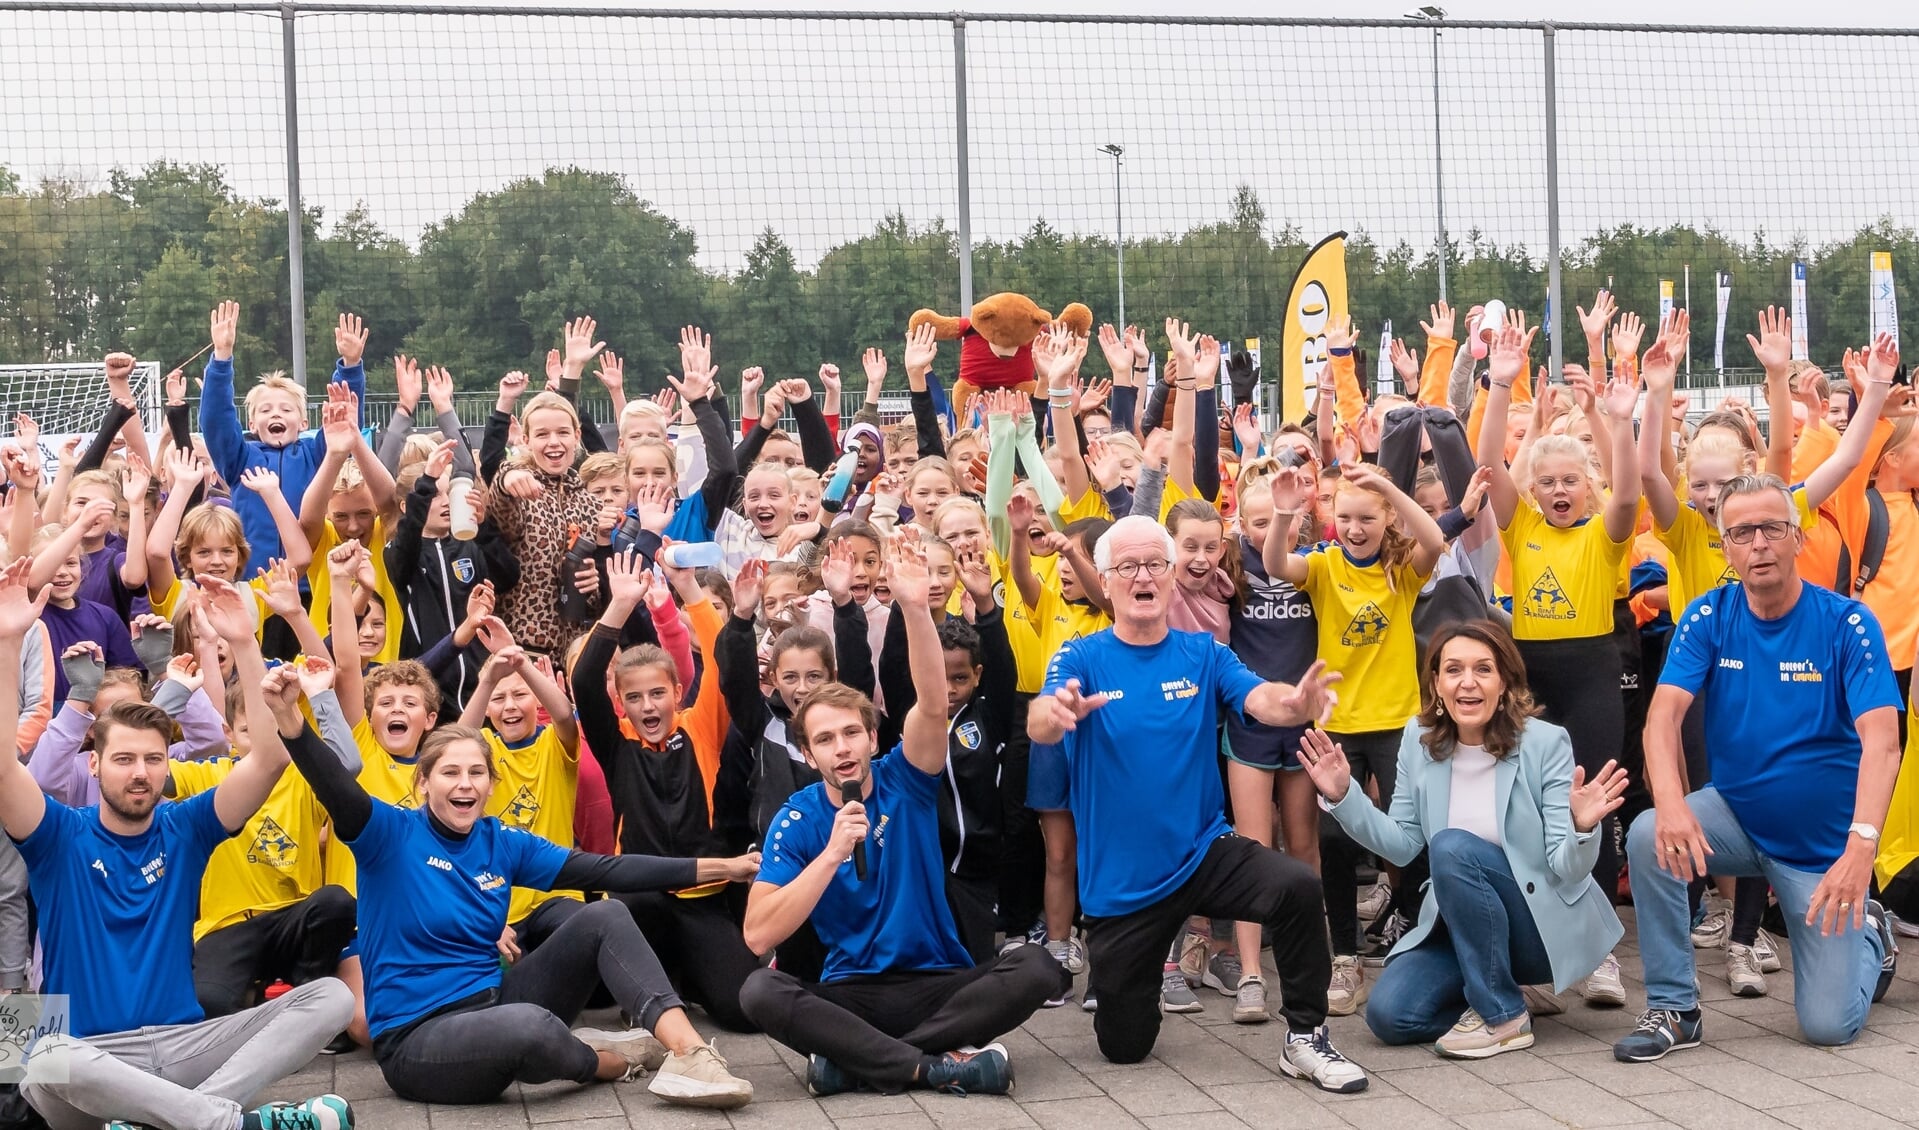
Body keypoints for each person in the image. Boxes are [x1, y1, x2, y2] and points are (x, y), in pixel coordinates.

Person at [271, 688, 761, 1106]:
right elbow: (334, 786)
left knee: (605, 914)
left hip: (496, 999)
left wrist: (723, 866)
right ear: (423, 783)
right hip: (417, 1039)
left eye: (476, 774)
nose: (464, 784)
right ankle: (613, 1062)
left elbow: (607, 867)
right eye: (449, 773)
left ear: (490, 783)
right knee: (531, 1029)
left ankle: (689, 1055)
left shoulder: (500, 841)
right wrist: (291, 720)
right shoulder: (388, 835)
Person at [0, 565, 354, 1130]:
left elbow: (266, 759)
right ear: (93, 765)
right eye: (123, 760)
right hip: (86, 1069)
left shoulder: (184, 827)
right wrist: (8, 640)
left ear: (168, 764)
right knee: (22, 1038)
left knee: (332, 998)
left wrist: (243, 642)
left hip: (181, 1049)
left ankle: (178, 1119)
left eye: (152, 759)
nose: (139, 773)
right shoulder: (58, 835)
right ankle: (220, 1122)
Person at [1027, 513, 1368, 1093]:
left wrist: (1297, 701)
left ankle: (1306, 1038)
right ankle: (1140, 993)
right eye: (1128, 566)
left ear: (1171, 576)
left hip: (1202, 852)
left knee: (1296, 886)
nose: (1144, 576)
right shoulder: (1080, 657)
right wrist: (1053, 714)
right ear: (1105, 581)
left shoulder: (1202, 653)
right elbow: (1040, 718)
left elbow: (1261, 699)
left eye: (1156, 564)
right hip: (1123, 888)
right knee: (1125, 1046)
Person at [738, 544, 1067, 1097]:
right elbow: (757, 935)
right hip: (853, 991)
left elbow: (934, 705)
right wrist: (830, 856)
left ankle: (862, 1061)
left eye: (850, 734)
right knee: (759, 992)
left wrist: (916, 610)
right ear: (809, 753)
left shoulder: (905, 776)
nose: (841, 748)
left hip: (939, 983)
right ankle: (935, 1066)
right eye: (824, 739)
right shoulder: (797, 820)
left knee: (1037, 967)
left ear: (871, 737)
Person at [1616, 473, 1903, 1062]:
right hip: (1737, 820)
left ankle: (1872, 934)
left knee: (1828, 1026)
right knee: (1647, 835)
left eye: (1773, 528)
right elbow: (1662, 719)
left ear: (1797, 538)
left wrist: (1861, 850)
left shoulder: (1847, 622)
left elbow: (1883, 742)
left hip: (1822, 853)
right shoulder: (1707, 616)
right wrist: (1670, 806)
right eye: (1741, 532)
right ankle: (1675, 1007)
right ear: (1724, 547)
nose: (1759, 544)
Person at [1300, 621, 1628, 1059]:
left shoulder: (1545, 744)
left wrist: (1584, 828)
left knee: (1453, 846)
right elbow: (1401, 845)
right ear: (1436, 683)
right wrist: (1344, 796)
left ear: (1505, 682)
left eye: (1483, 670)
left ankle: (1503, 1015)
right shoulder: (1418, 743)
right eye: (1453, 670)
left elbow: (1566, 868)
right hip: (1462, 930)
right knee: (1390, 1016)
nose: (1467, 683)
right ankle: (1506, 995)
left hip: (1538, 929)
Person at [1476, 316, 1647, 1008]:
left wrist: (1616, 420)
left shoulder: (1605, 536)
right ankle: (1538, 952)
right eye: (1544, 481)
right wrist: (1500, 385)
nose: (1555, 490)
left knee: (1594, 812)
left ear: (1587, 486)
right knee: (1526, 815)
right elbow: (1488, 464)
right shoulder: (1521, 527)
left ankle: (1600, 956)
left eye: (1569, 480)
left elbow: (1631, 492)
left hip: (1591, 680)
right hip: (1530, 680)